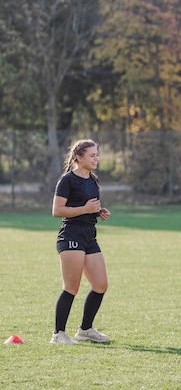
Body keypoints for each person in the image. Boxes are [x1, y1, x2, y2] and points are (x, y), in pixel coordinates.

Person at [51, 139, 111, 345]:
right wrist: (85, 209)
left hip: (89, 235)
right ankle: (58, 334)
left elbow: (88, 206)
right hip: (71, 236)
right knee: (71, 287)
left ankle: (85, 330)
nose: (97, 158)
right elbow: (57, 210)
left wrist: (98, 212)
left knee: (101, 284)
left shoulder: (92, 180)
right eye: (92, 155)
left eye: (97, 154)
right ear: (79, 157)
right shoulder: (67, 180)